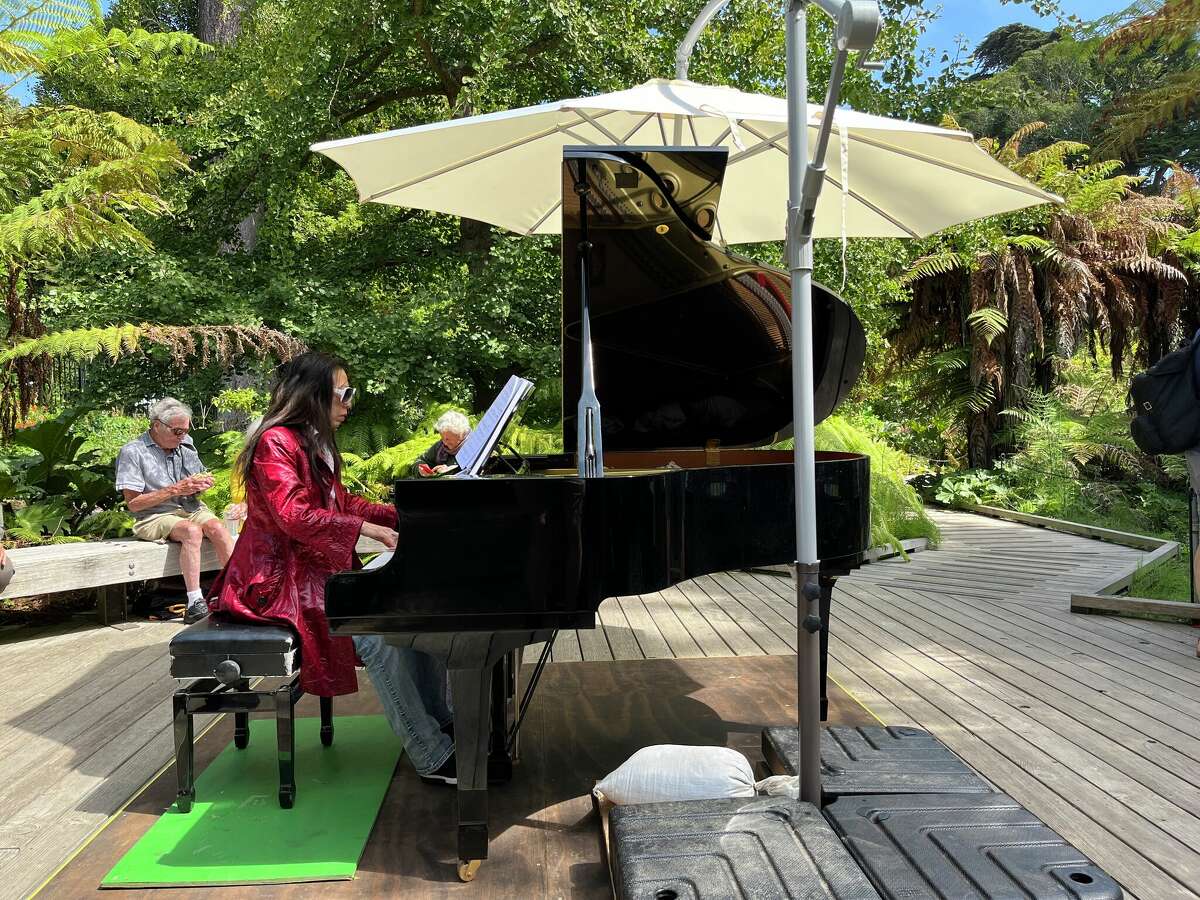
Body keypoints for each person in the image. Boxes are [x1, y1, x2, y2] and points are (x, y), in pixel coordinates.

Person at [208, 352, 458, 784]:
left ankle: (442, 720)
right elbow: (294, 515)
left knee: (411, 610)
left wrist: (406, 515)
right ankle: (430, 754)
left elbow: (343, 504)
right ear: (313, 395)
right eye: (343, 393)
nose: (349, 403)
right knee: (374, 636)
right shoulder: (276, 442)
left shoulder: (311, 440)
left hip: (311, 571)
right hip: (275, 582)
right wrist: (367, 529)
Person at [116, 398, 235, 623]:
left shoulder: (186, 444)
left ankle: (237, 591)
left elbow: (197, 479)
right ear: (156, 425)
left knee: (218, 527)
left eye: (185, 431)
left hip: (190, 507)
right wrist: (175, 489)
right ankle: (194, 601)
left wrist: (202, 483)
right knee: (191, 532)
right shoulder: (133, 452)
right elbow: (134, 504)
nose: (182, 436)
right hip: (153, 515)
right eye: (177, 431)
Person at [413, 410, 471, 477]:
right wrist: (420, 469)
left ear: (461, 434)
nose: (444, 442)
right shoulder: (440, 446)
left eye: (447, 439)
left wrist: (446, 471)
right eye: (442, 437)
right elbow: (419, 461)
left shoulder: (472, 447)